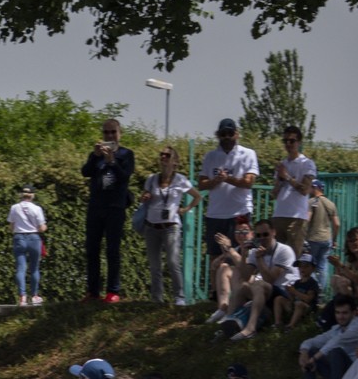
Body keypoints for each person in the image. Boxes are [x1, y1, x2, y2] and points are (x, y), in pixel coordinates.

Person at [81, 117, 136, 302]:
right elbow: (85, 172)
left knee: (112, 250)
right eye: (106, 132)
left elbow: (125, 176)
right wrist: (96, 156)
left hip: (115, 207)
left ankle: (113, 291)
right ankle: (93, 291)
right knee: (92, 249)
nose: (109, 135)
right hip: (96, 206)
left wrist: (112, 161)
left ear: (120, 134)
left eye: (113, 132)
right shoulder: (95, 155)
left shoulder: (126, 155)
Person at [221, 219, 299, 341]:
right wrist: (244, 255)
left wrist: (260, 259)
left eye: (265, 234)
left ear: (274, 233)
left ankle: (250, 328)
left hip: (285, 294)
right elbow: (246, 276)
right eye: (258, 235)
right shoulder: (255, 251)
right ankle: (228, 321)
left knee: (259, 284)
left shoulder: (284, 251)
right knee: (243, 287)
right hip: (268, 292)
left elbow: (271, 280)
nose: (262, 238)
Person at [138, 146, 198, 305]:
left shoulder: (180, 180)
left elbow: (197, 196)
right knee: (154, 265)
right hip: (152, 226)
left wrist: (186, 209)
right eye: (162, 154)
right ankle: (157, 299)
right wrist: (145, 196)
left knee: (172, 262)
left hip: (171, 227)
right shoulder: (151, 179)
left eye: (167, 155)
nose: (163, 157)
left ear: (175, 162)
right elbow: (143, 197)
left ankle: (179, 297)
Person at [197, 117, 260, 264]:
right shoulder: (211, 156)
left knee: (241, 253)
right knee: (215, 257)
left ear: (236, 134)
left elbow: (249, 182)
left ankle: (238, 286)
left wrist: (227, 179)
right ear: (218, 135)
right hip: (215, 214)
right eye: (223, 134)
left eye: (230, 133)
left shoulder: (248, 154)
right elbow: (201, 184)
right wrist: (216, 181)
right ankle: (216, 288)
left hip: (240, 213)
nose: (226, 137)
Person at [269, 125, 317, 257]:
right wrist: (279, 180)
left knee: (294, 258)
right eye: (285, 141)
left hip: (296, 217)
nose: (288, 144)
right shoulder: (282, 165)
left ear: (299, 142)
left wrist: (288, 177)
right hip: (279, 215)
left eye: (292, 141)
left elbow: (305, 190)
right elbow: (274, 194)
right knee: (276, 256)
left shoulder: (307, 163)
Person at [204, 221, 256, 325]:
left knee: (236, 271)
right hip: (241, 284)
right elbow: (214, 266)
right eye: (237, 232)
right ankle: (223, 308)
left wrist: (229, 249)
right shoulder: (236, 249)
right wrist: (222, 256)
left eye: (245, 231)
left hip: (255, 285)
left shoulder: (254, 248)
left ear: (252, 234)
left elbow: (246, 270)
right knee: (224, 267)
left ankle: (230, 313)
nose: (241, 235)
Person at [7, 185, 47, 306]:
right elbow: (41, 228)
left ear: (21, 194)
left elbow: (11, 226)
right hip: (34, 238)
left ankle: (22, 296)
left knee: (21, 268)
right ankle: (34, 296)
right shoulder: (37, 208)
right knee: (34, 268)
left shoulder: (14, 208)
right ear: (32, 195)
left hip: (19, 237)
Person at [326, 226, 358, 326]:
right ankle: (346, 315)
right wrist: (337, 266)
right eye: (349, 241)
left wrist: (340, 265)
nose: (352, 244)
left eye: (355, 240)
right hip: (354, 292)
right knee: (336, 279)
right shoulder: (350, 260)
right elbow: (344, 277)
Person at [304, 178, 340, 287]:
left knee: (310, 266)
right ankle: (320, 292)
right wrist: (334, 240)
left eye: (311, 187)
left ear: (315, 188)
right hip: (326, 239)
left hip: (313, 239)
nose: (309, 190)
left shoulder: (311, 202)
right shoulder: (331, 204)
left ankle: (313, 290)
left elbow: (307, 220)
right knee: (322, 267)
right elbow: (337, 224)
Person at [273, 253, 321, 330]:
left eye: (306, 266)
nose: (302, 269)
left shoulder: (313, 283)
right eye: (300, 266)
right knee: (278, 299)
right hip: (295, 306)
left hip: (307, 309)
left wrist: (294, 291)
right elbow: (293, 298)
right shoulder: (297, 282)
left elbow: (308, 299)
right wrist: (289, 292)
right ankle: (278, 323)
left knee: (299, 304)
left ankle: (291, 326)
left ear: (313, 268)